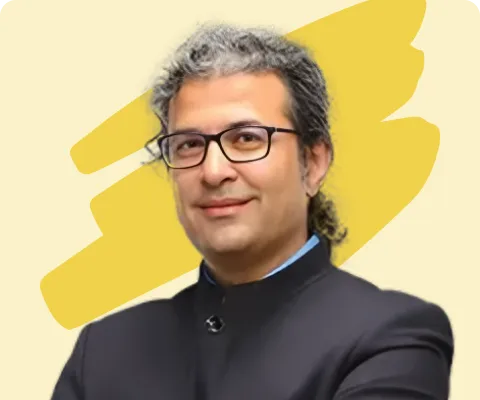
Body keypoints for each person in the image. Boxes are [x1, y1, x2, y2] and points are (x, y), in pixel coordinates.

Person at [51, 23, 454, 399]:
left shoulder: (390, 336)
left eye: (246, 138)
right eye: (189, 145)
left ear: (313, 163)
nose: (213, 171)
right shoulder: (104, 350)